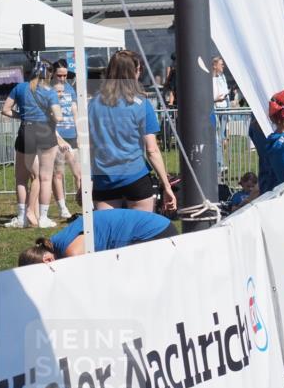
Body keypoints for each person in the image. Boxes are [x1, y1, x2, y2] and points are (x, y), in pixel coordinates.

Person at [88, 51, 177, 213]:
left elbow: (90, 146)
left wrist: (85, 181)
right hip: (135, 176)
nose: (140, 73)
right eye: (139, 69)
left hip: (104, 179)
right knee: (142, 233)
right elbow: (152, 149)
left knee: (109, 234)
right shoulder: (141, 104)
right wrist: (166, 185)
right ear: (133, 72)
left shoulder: (93, 104)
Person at [1, 61, 66, 228]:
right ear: (48, 75)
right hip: (45, 133)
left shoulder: (20, 88)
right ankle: (43, 217)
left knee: (21, 178)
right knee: (45, 178)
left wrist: (21, 116)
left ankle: (22, 216)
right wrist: (51, 113)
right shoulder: (50, 92)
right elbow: (58, 117)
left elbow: (5, 109)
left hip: (26, 131)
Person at [17, 209, 178, 265]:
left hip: (155, 234)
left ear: (47, 260)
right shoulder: (57, 242)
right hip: (157, 227)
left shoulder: (71, 252)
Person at [50, 61, 81, 219]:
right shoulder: (48, 89)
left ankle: (85, 205)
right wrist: (57, 137)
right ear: (53, 74)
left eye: (65, 75)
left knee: (78, 173)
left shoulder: (70, 89)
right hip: (56, 135)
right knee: (58, 174)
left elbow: (75, 111)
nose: (62, 78)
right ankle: (62, 208)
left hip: (72, 134)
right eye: (59, 75)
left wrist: (80, 132)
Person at [213, 56, 230, 172]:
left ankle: (221, 163)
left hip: (224, 109)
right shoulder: (208, 79)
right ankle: (218, 164)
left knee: (222, 138)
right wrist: (215, 100)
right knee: (217, 138)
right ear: (214, 65)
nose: (223, 66)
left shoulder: (222, 77)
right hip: (215, 109)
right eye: (221, 64)